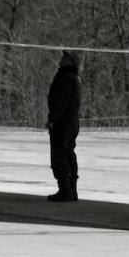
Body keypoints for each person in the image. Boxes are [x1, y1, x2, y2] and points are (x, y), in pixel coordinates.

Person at [45, 51, 81, 202]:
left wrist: (53, 119)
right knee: (68, 153)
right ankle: (71, 189)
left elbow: (61, 101)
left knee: (61, 154)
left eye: (65, 57)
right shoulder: (73, 77)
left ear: (71, 61)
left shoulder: (65, 78)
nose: (61, 59)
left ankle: (65, 189)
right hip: (71, 120)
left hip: (64, 121)